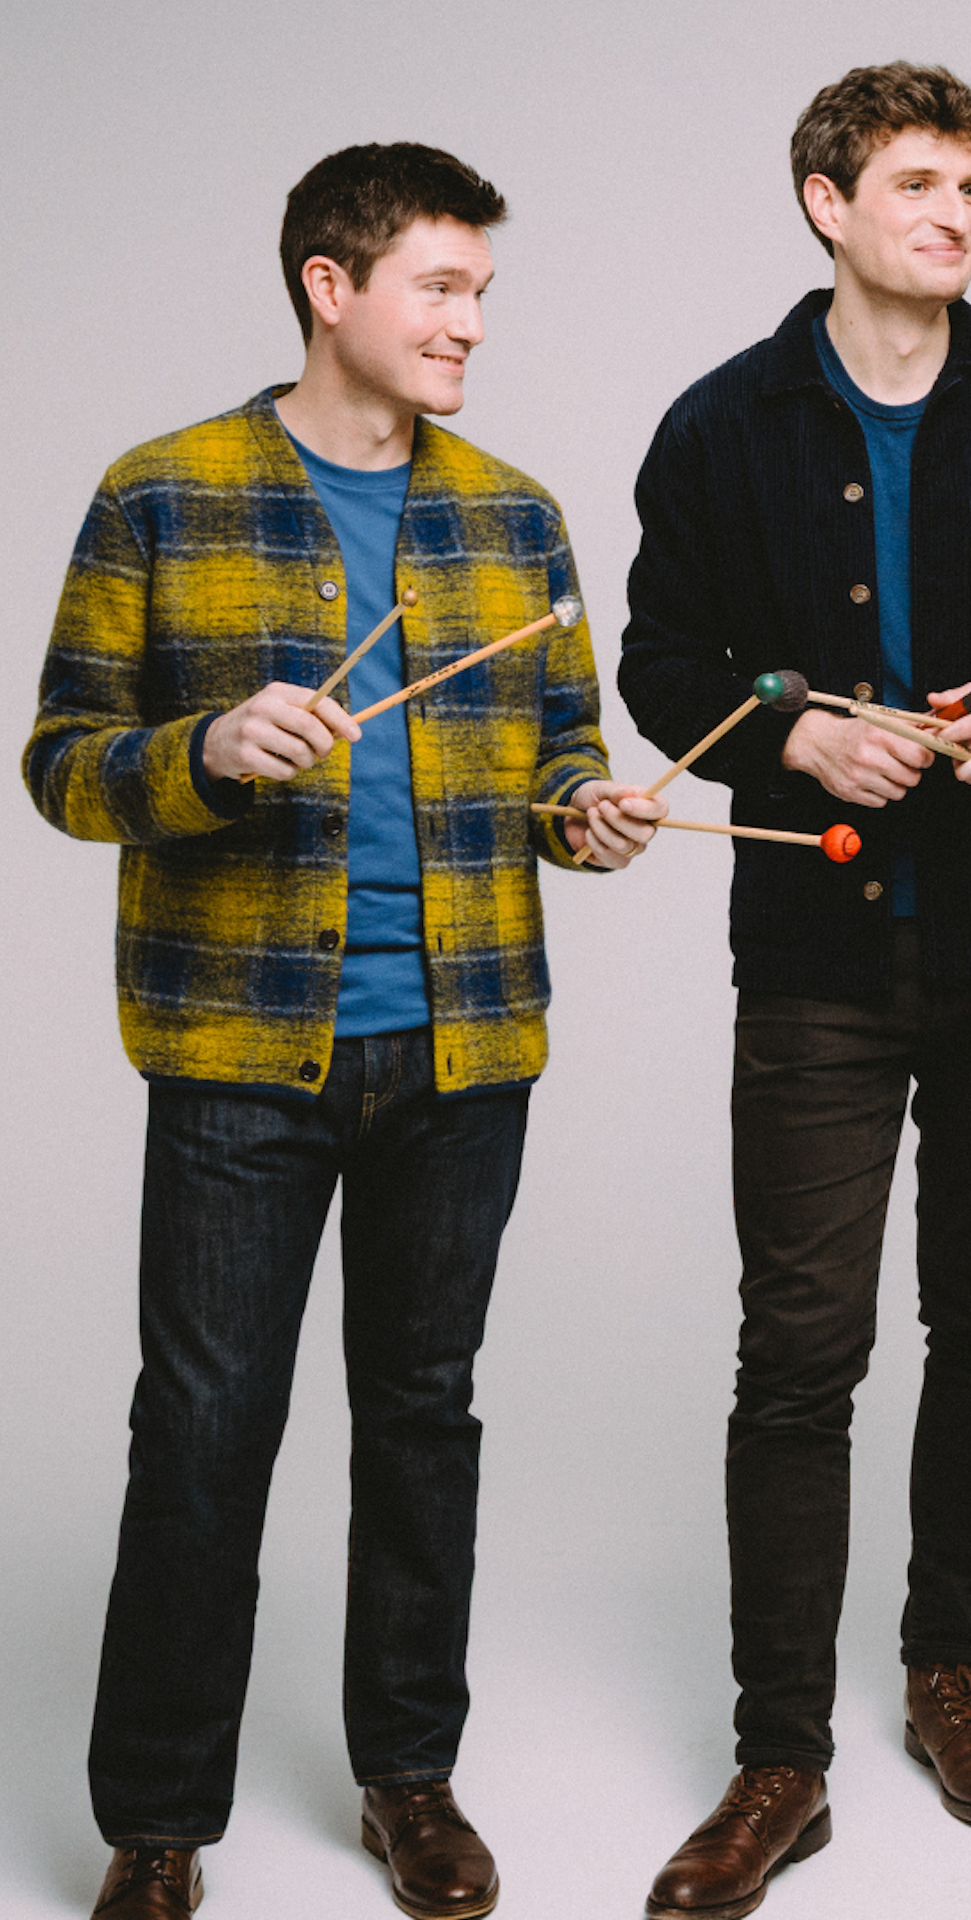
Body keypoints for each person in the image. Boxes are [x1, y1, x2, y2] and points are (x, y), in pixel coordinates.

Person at [23, 142, 660, 1920]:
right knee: (203, 1434)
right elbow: (62, 763)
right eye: (440, 288)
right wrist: (206, 753)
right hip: (239, 1057)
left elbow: (557, 754)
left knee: (424, 1419)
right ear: (331, 285)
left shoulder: (516, 519)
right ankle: (159, 1825)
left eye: (480, 292)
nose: (471, 325)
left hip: (463, 1053)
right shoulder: (162, 492)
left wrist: (586, 813)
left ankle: (410, 1780)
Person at [619, 60, 971, 1919]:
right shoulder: (722, 424)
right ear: (827, 203)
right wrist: (791, 737)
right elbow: (660, 662)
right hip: (818, 956)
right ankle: (780, 1758)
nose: (955, 215)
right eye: (920, 184)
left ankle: (951, 1672)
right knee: (800, 1349)